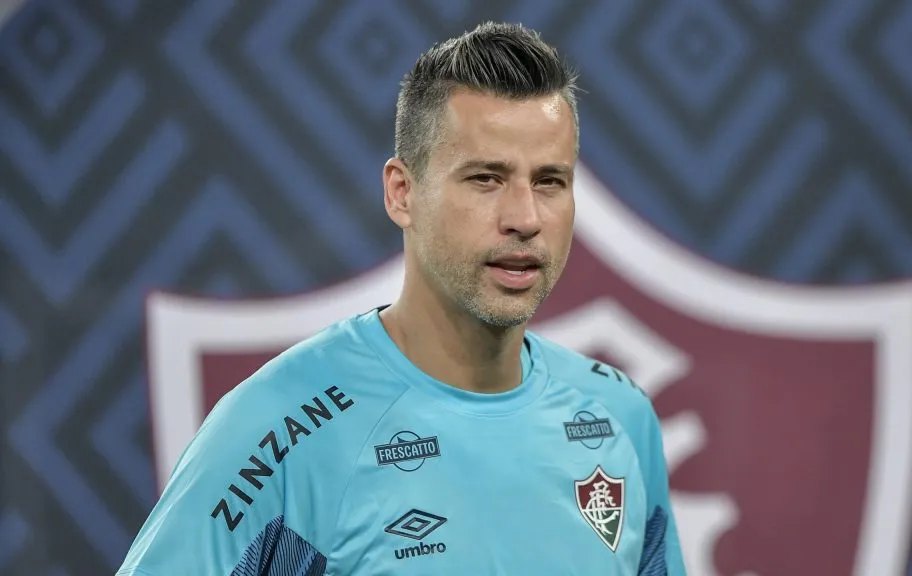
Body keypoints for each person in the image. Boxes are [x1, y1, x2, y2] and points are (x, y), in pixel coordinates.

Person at [117, 21, 687, 575]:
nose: (525, 218)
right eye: (485, 178)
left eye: (549, 181)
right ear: (402, 192)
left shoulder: (619, 417)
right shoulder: (281, 427)